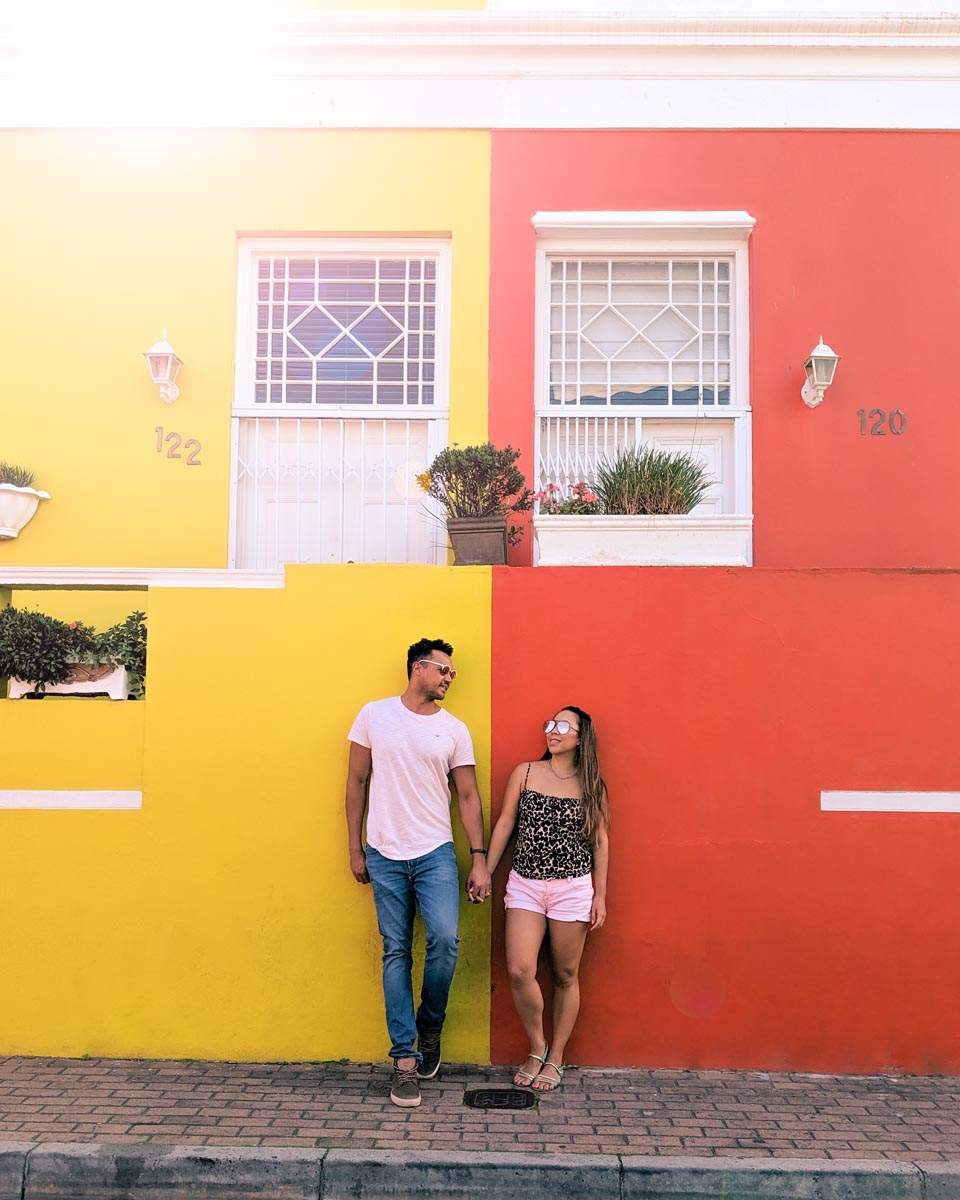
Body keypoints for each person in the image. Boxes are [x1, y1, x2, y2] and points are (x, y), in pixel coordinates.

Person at [345, 637, 492, 1109]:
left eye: (453, 674)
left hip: (436, 854)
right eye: (444, 670)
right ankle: (405, 1061)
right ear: (418, 668)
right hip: (384, 852)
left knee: (445, 941)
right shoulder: (374, 715)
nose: (450, 678)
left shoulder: (454, 729)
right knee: (395, 953)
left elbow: (468, 796)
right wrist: (354, 848)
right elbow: (355, 782)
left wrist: (481, 859)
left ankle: (431, 1024)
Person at [485, 705, 609, 1092]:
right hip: (526, 884)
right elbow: (506, 822)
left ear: (580, 738)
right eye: (549, 724)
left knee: (565, 974)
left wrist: (600, 895)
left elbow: (601, 840)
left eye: (562, 726)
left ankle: (557, 1057)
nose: (552, 731)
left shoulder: (592, 786)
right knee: (521, 969)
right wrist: (485, 871)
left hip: (573, 888)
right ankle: (538, 1046)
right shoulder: (525, 772)